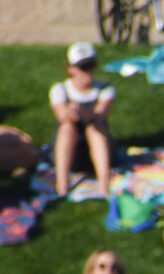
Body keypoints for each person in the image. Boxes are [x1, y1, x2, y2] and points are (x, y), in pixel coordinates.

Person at [49, 43, 115, 199]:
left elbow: (100, 114)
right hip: (72, 155)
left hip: (99, 151)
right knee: (67, 128)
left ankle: (104, 185)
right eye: (83, 67)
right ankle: (62, 185)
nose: (88, 72)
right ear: (71, 69)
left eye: (91, 66)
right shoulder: (60, 90)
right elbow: (61, 115)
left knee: (94, 128)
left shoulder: (105, 90)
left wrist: (85, 113)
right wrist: (70, 113)